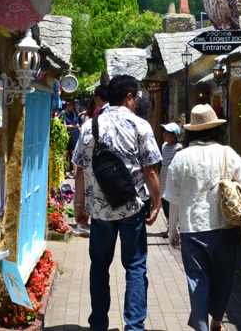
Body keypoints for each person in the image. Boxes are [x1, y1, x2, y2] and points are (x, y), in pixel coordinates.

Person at [74, 74, 161, 331]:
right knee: (134, 266)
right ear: (129, 96)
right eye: (136, 97)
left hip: (100, 212)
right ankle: (134, 326)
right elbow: (151, 171)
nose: (137, 102)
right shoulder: (140, 126)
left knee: (99, 267)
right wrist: (156, 204)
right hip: (131, 208)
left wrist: (80, 206)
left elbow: (80, 169)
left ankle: (98, 324)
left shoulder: (90, 126)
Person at [163, 104, 241, 331]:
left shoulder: (181, 158)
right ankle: (216, 320)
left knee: (197, 280)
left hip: (192, 229)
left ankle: (202, 326)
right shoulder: (228, 153)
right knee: (223, 278)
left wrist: (171, 229)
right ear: (214, 129)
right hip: (223, 227)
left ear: (191, 131)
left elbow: (173, 199)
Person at [158, 122, 183, 244]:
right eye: (164, 132)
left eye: (168, 133)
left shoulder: (178, 148)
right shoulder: (163, 146)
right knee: (165, 203)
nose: (164, 135)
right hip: (163, 178)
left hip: (172, 179)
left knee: (172, 202)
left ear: (175, 136)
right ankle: (169, 226)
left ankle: (174, 226)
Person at [59, 99, 82, 175]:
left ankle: (75, 173)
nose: (73, 106)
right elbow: (59, 125)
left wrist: (81, 131)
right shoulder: (62, 114)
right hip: (66, 136)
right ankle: (63, 173)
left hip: (74, 136)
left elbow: (77, 123)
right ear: (68, 105)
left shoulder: (73, 114)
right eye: (72, 105)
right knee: (65, 155)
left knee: (74, 154)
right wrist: (67, 126)